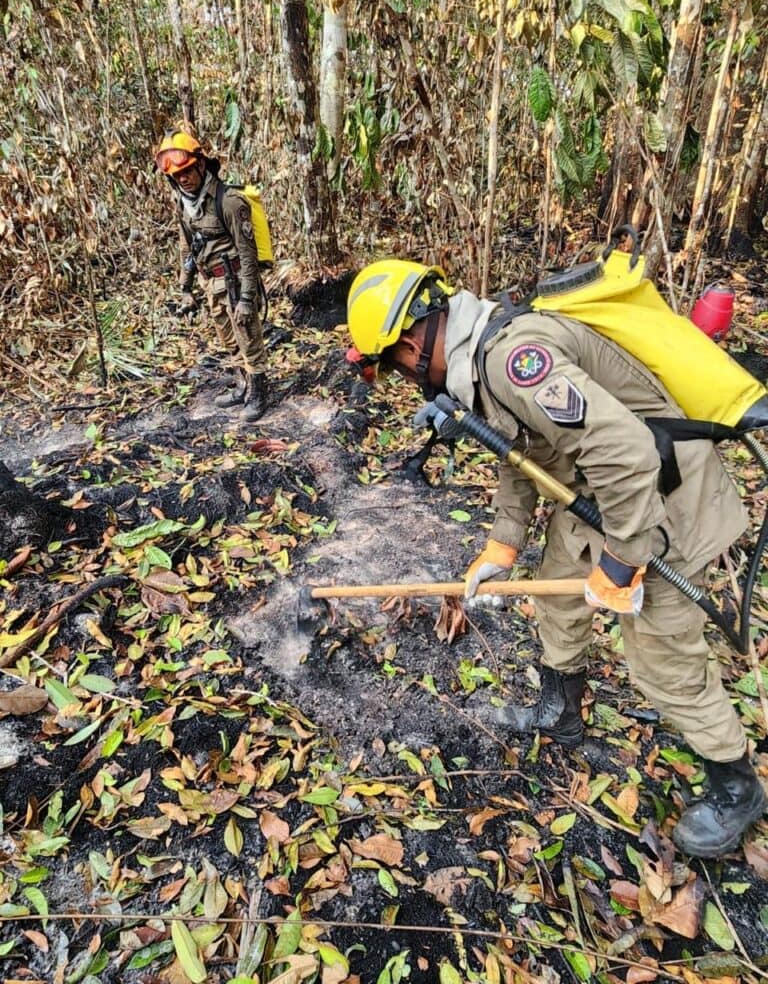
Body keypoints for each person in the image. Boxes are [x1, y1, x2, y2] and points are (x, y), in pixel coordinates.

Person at [345, 258, 767, 859]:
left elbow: (627, 455)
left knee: (662, 657)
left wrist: (620, 563)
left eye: (393, 367)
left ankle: (736, 784)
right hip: (595, 497)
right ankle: (560, 712)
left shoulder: (512, 360)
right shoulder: (480, 355)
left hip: (661, 504)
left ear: (411, 346)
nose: (406, 379)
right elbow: (522, 450)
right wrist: (504, 543)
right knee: (559, 595)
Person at [154, 130, 270, 422]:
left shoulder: (229, 201)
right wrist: (186, 287)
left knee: (248, 338)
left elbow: (247, 253)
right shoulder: (184, 203)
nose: (183, 179)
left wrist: (247, 298)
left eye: (187, 172)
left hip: (235, 280)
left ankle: (259, 394)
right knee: (229, 339)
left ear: (201, 165)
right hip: (211, 283)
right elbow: (187, 246)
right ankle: (242, 385)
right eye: (177, 176)